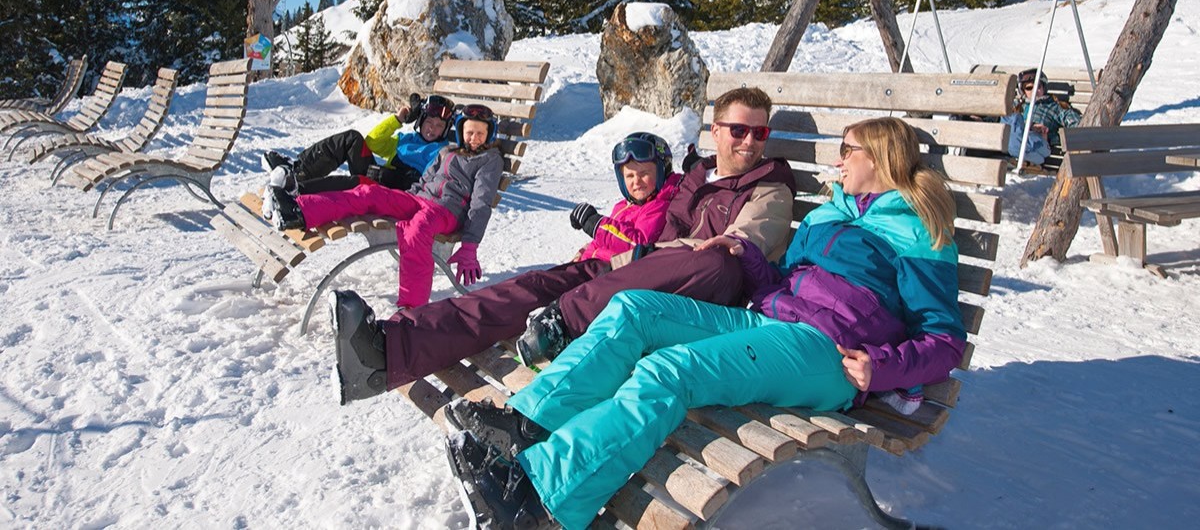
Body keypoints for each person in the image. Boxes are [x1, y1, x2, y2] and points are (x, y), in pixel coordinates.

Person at [444, 117, 966, 530]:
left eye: (848, 150)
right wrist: (747, 255)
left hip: (826, 353)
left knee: (671, 370)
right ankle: (526, 426)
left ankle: (539, 498)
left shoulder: (918, 230)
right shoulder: (829, 214)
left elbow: (944, 339)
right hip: (770, 322)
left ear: (880, 156)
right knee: (634, 310)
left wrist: (883, 366)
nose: (839, 160)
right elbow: (784, 283)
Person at [328, 86, 796, 405]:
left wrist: (647, 250)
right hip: (627, 270)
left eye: (760, 133)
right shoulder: (692, 180)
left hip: (689, 298)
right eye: (740, 130)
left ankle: (563, 322)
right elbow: (649, 216)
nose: (750, 142)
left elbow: (743, 242)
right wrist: (606, 245)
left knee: (716, 260)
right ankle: (387, 350)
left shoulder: (770, 188)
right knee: (523, 290)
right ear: (716, 131)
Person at [328, 132, 682, 404]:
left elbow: (637, 245)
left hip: (605, 285)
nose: (636, 181)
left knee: (508, 301)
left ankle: (391, 350)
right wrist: (587, 248)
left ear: (662, 172)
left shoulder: (661, 207)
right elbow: (614, 242)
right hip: (589, 275)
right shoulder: (630, 205)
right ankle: (395, 341)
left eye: (644, 173)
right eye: (629, 175)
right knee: (510, 294)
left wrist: (596, 224)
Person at [267, 104, 504, 309]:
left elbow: (481, 202)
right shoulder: (447, 151)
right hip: (420, 200)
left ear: (489, 134)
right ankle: (298, 211)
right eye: (469, 132)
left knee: (417, 229)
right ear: (461, 132)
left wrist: (470, 245)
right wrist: (400, 200)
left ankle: (412, 307)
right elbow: (424, 181)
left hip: (447, 212)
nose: (474, 138)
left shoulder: (490, 159)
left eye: (480, 133)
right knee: (370, 193)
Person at [261, 93, 455, 199]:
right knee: (352, 138)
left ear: (446, 129)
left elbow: (428, 182)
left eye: (439, 125)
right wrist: (396, 120)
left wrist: (394, 178)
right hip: (379, 180)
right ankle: (298, 171)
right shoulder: (407, 139)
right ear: (420, 121)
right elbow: (373, 142)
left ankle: (297, 190)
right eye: (429, 122)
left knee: (355, 182)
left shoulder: (442, 152)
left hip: (393, 194)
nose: (432, 129)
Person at [1015, 67, 1081, 150]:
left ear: (1044, 87)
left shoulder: (1055, 106)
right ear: (1023, 91)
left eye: (1038, 87)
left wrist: (1048, 135)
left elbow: (1076, 125)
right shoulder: (1018, 106)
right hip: (1013, 143)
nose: (1034, 91)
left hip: (1036, 147)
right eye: (1029, 88)